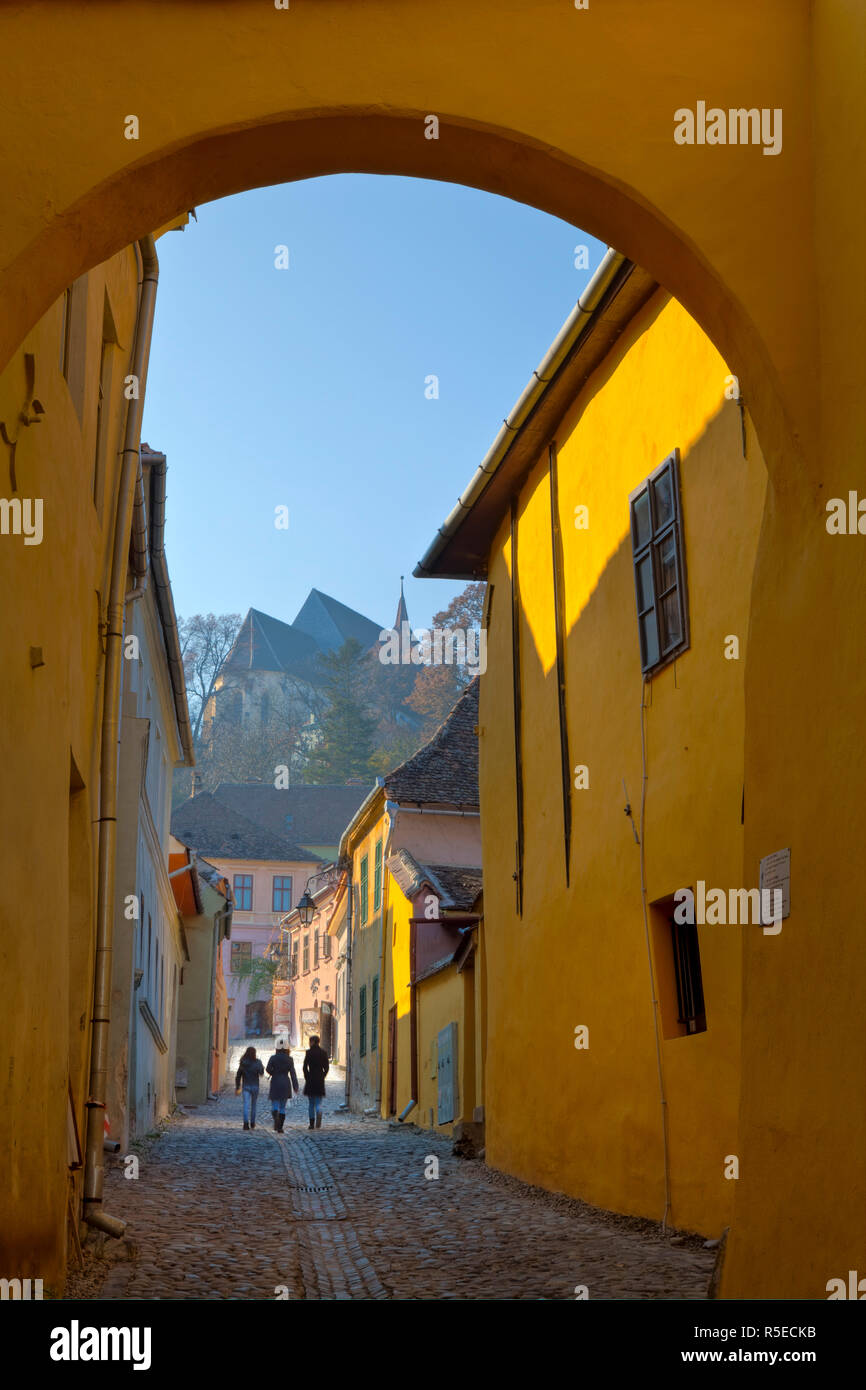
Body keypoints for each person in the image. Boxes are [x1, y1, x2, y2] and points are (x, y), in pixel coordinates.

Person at [265, 1037, 299, 1131]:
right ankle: (280, 1127)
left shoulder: (273, 1058)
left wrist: (273, 1072)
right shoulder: (289, 1059)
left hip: (275, 1081)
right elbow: (293, 1073)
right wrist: (295, 1086)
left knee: (275, 1104)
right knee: (283, 1107)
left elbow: (267, 1069)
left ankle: (275, 1117)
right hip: (285, 1083)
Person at [302, 1034, 330, 1130]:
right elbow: (326, 1067)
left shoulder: (309, 1053)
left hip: (311, 1078)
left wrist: (307, 1077)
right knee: (318, 1102)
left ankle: (311, 1124)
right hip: (319, 1079)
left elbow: (305, 1067)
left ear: (313, 1042)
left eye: (310, 1041)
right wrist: (323, 1075)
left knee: (311, 1103)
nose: (309, 1043)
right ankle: (319, 1111)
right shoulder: (323, 1052)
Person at [235, 1046, 264, 1131]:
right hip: (255, 1086)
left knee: (246, 1105)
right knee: (254, 1105)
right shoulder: (258, 1062)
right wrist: (261, 1067)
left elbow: (238, 1075)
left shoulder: (243, 1062)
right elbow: (261, 1073)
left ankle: (245, 1124)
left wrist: (237, 1087)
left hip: (246, 1086)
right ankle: (253, 1123)